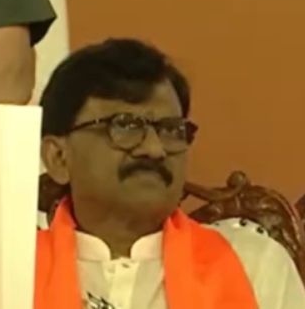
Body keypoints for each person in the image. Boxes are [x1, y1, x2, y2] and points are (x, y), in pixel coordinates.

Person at [36, 38, 305, 308]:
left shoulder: (253, 263)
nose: (154, 149)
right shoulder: (18, 270)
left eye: (171, 129)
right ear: (58, 157)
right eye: (125, 125)